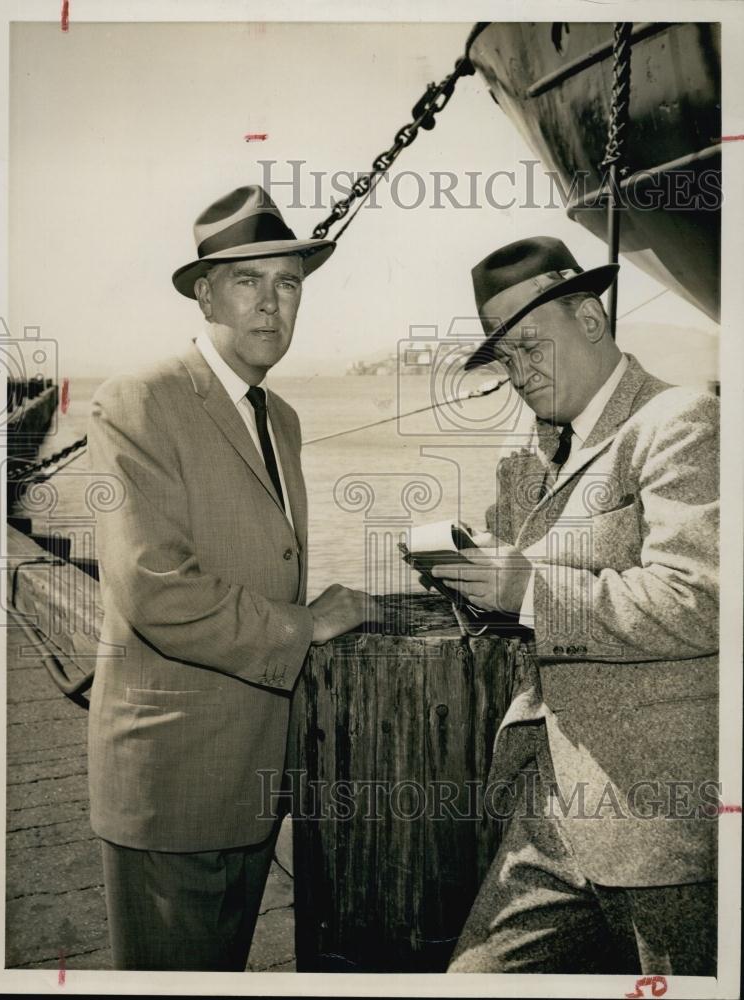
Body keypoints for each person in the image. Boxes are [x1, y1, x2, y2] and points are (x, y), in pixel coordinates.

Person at [86, 184, 379, 971]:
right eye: (248, 281)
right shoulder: (137, 402)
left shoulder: (278, 416)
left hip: (254, 783)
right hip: (172, 785)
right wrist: (306, 626)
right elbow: (154, 588)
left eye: (289, 284)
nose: (271, 304)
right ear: (204, 291)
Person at [431, 236, 719, 975]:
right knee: (471, 979)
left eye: (531, 346)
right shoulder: (550, 447)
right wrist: (472, 578)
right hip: (552, 804)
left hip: (657, 820)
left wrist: (524, 587)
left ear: (591, 319)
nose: (520, 373)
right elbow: (528, 600)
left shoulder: (679, 419)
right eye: (508, 359)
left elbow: (700, 599)